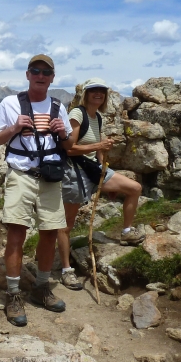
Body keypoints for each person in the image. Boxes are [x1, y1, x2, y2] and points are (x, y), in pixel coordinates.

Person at [0, 53, 76, 327]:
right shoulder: (10, 104)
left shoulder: (58, 107)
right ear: (27, 75)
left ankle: (40, 288)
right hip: (21, 174)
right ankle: (13, 294)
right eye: (35, 71)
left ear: (52, 77)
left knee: (50, 232)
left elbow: (69, 146)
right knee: (17, 233)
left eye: (45, 72)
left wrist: (63, 133)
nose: (40, 76)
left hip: (49, 177)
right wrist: (14, 128)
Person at [57, 77, 144, 290]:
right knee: (66, 224)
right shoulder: (77, 114)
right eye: (93, 90)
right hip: (75, 172)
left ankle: (126, 232)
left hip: (93, 170)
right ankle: (66, 269)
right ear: (85, 94)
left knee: (134, 188)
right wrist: (100, 145)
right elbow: (69, 148)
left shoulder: (97, 117)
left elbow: (97, 150)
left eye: (101, 91)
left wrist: (103, 174)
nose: (98, 94)